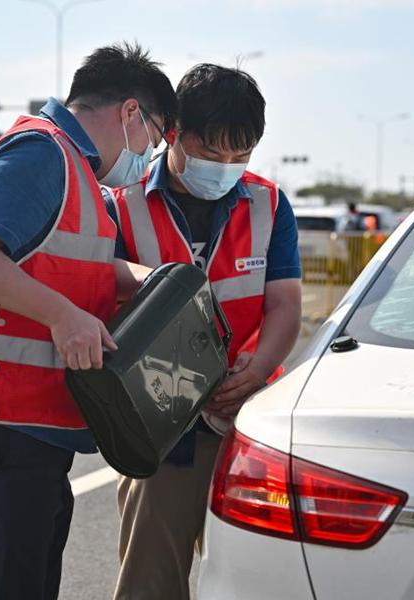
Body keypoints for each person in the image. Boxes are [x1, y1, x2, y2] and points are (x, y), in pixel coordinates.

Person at [0, 42, 175, 600]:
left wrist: (156, 281)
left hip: (30, 425)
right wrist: (64, 316)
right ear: (131, 113)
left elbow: (75, 263)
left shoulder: (82, 176)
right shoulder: (41, 153)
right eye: (153, 140)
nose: (149, 157)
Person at [105, 64, 303, 600]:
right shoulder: (120, 204)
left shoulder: (269, 204)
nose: (226, 169)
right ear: (173, 132)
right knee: (150, 580)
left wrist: (258, 367)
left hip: (244, 416)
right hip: (159, 424)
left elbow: (285, 305)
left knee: (254, 579)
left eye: (241, 157)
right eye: (213, 154)